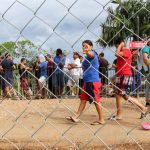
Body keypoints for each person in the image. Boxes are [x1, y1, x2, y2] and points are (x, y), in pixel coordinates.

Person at [66, 40, 105, 125]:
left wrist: (87, 51)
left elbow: (90, 54)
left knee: (96, 100)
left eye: (86, 46)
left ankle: (101, 119)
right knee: (83, 100)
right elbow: (83, 66)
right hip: (87, 82)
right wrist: (73, 67)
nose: (84, 47)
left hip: (92, 81)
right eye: (83, 46)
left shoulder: (92, 54)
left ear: (91, 47)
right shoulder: (86, 58)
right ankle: (76, 117)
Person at [112, 37, 148, 120]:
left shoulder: (126, 51)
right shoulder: (122, 52)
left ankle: (119, 115)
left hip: (125, 76)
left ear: (118, 44)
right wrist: (115, 76)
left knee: (119, 95)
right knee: (124, 95)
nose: (116, 48)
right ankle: (143, 108)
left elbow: (116, 54)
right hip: (122, 76)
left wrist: (121, 45)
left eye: (116, 46)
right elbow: (121, 66)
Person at [142, 40, 150, 107]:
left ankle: (148, 103)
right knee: (148, 86)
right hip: (148, 70)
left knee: (148, 86)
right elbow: (145, 58)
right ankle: (148, 102)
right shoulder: (146, 48)